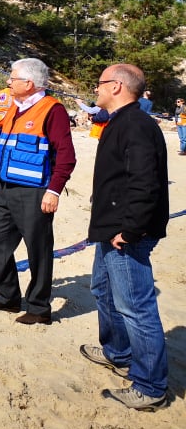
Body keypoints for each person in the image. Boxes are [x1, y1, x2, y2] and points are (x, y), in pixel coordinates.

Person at [79, 64, 169, 411]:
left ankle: (149, 386)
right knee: (102, 290)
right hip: (111, 227)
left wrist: (130, 230)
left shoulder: (136, 125)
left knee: (136, 307)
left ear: (116, 86)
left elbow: (145, 183)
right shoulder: (120, 122)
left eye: (99, 84)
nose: (95, 90)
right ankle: (118, 352)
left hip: (126, 232)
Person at [0, 58, 76, 325]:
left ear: (29, 83)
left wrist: (54, 191)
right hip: (4, 190)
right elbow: (1, 146)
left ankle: (39, 307)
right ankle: (7, 296)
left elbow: (66, 155)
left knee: (39, 250)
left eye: (13, 78)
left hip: (35, 193)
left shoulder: (52, 110)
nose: (8, 82)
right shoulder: (12, 108)